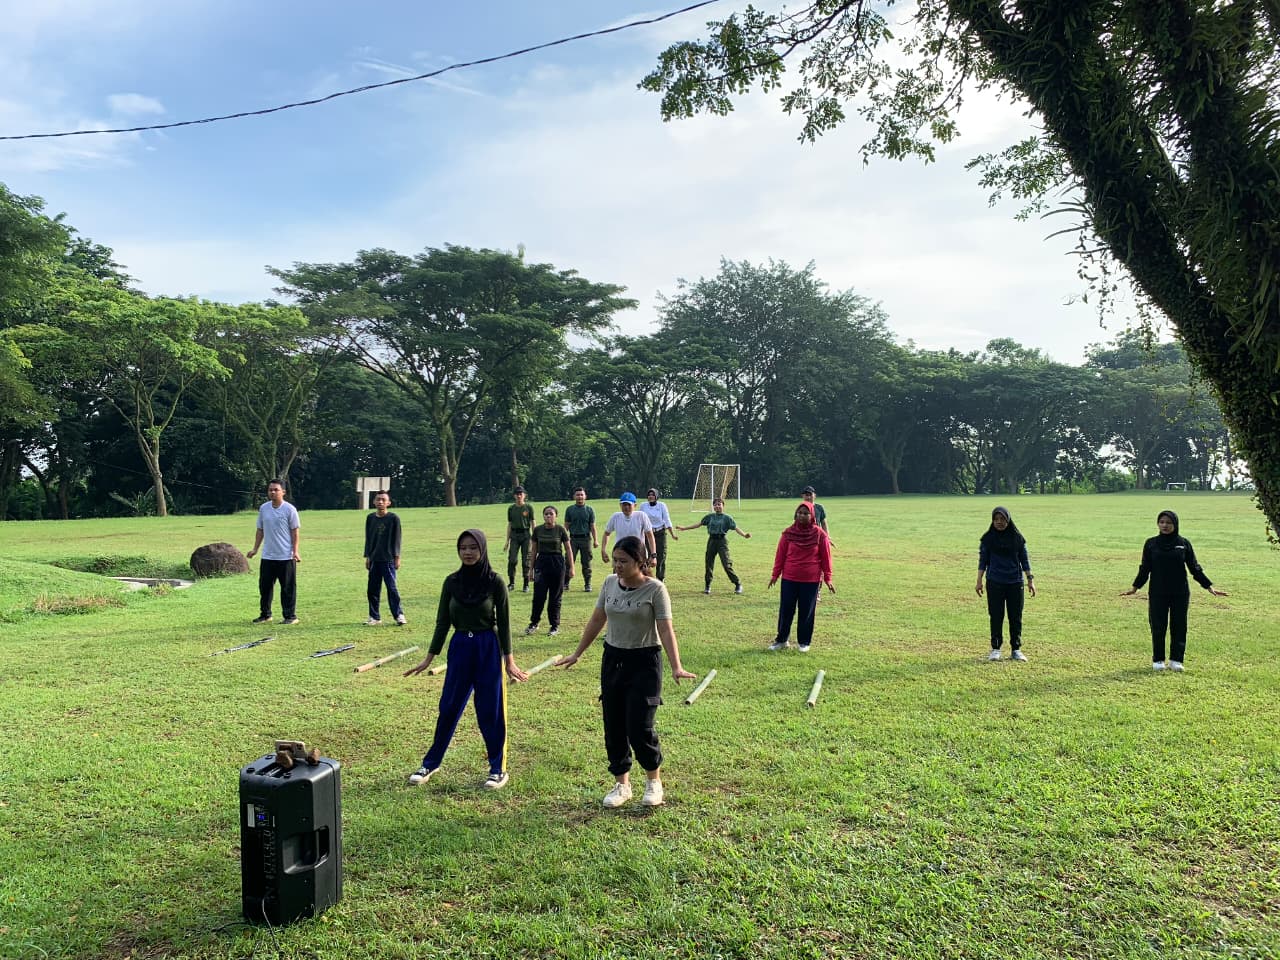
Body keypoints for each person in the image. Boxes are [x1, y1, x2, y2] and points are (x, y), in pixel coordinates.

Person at [556, 536, 695, 808]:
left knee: (640, 726)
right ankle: (622, 785)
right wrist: (577, 653)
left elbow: (665, 629)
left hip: (645, 662)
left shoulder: (655, 589)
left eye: (624, 561)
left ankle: (653, 782)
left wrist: (676, 666)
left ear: (640, 562)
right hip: (613, 659)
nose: (617, 566)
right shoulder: (610, 583)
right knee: (614, 725)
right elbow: (597, 619)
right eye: (615, 560)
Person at [404, 530, 529, 789]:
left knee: (489, 710)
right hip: (460, 646)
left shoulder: (495, 582)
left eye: (473, 547)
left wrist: (510, 661)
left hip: (487, 648)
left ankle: (497, 769)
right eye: (463, 548)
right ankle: (431, 763)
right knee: (449, 707)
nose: (468, 552)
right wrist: (429, 658)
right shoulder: (451, 582)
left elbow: (504, 624)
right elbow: (442, 622)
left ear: (482, 549)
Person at [1121, 509, 1227, 671]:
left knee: (1179, 625)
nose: (1165, 525)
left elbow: (1194, 567)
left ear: (1175, 524)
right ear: (1158, 524)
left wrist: (1208, 586)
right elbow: (1145, 568)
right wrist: (1135, 588)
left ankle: (1176, 660)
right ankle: (1158, 660)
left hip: (1180, 592)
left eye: (1169, 523)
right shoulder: (1151, 544)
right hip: (1157, 592)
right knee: (1158, 625)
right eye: (1162, 522)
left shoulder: (1183, 543)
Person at [767, 502, 834, 652]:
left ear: (812, 516)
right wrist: (775, 574)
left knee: (806, 611)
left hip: (811, 580)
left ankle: (804, 642)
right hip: (789, 578)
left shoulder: (819, 534)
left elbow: (826, 558)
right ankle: (782, 640)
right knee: (786, 610)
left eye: (805, 513)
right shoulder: (788, 533)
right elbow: (780, 556)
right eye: (799, 513)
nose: (802, 516)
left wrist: (828, 578)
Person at [975, 506, 1036, 661]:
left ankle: (1016, 649)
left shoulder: (1017, 538)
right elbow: (983, 561)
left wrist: (1030, 580)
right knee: (996, 615)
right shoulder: (987, 539)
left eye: (1002, 519)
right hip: (995, 582)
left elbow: (1024, 560)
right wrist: (979, 581)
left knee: (1015, 616)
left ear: (1008, 520)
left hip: (1015, 582)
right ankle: (996, 648)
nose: (999, 522)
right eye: (996, 519)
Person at [246, 478, 300, 625]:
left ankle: (290, 616)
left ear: (283, 492)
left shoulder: (289, 509)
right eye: (270, 490)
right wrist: (255, 549)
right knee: (265, 587)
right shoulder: (264, 508)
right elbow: (260, 530)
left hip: (286, 556)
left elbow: (295, 532)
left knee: (288, 588)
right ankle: (265, 615)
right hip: (268, 556)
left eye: (276, 490)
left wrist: (295, 551)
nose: (273, 492)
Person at [677, 497, 751, 594]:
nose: (717, 506)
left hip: (722, 542)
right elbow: (698, 524)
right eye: (715, 505)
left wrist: (744, 535)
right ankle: (707, 586)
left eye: (719, 504)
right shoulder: (710, 517)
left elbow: (736, 528)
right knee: (709, 564)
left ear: (723, 506)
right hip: (711, 541)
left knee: (726, 564)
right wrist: (684, 528)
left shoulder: (727, 518)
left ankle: (737, 584)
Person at [526, 505, 573, 636]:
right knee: (538, 596)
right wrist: (531, 570)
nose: (548, 516)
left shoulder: (560, 530)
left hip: (557, 563)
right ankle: (534, 623)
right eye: (546, 514)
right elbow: (534, 550)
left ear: (556, 516)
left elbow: (568, 549)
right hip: (541, 563)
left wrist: (572, 567)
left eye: (551, 514)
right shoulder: (538, 530)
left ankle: (554, 626)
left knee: (555, 596)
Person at [363, 490, 405, 626]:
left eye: (383, 500)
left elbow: (397, 539)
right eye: (378, 499)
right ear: (374, 502)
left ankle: (399, 615)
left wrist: (397, 557)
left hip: (388, 559)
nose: (380, 502)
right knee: (372, 589)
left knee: (392, 588)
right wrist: (368, 556)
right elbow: (368, 538)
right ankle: (374, 616)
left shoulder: (393, 518)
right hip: (374, 559)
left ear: (388, 503)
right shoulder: (370, 518)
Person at [600, 492, 657, 566]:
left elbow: (650, 535)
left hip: (638, 555)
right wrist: (603, 550)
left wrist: (653, 555)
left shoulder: (641, 516)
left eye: (629, 505)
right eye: (624, 504)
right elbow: (606, 533)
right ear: (620, 505)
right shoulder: (615, 517)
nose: (626, 507)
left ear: (635, 505)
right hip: (620, 556)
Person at [639, 487, 679, 581]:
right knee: (647, 556)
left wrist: (672, 534)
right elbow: (640, 520)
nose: (651, 496)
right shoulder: (643, 506)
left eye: (653, 495)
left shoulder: (662, 506)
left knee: (661, 556)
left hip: (660, 533)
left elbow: (667, 520)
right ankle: (646, 577)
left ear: (656, 496)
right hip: (648, 534)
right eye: (649, 495)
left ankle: (660, 578)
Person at [564, 486, 598, 592]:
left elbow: (592, 526)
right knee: (569, 561)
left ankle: (587, 584)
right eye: (577, 495)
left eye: (581, 495)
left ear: (585, 496)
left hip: (586, 539)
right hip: (573, 539)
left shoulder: (589, 510)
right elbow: (566, 526)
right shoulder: (570, 509)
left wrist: (595, 540)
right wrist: (563, 539)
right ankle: (565, 583)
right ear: (574, 496)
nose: (580, 497)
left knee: (586, 562)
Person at [503, 486, 535, 592]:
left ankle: (526, 584)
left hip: (526, 535)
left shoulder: (528, 507)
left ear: (524, 495)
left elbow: (532, 522)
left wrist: (535, 537)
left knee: (526, 560)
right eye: (517, 494)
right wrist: (507, 541)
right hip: (514, 536)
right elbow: (509, 524)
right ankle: (511, 583)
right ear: (514, 496)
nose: (519, 496)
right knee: (512, 559)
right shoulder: (511, 508)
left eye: (521, 494)